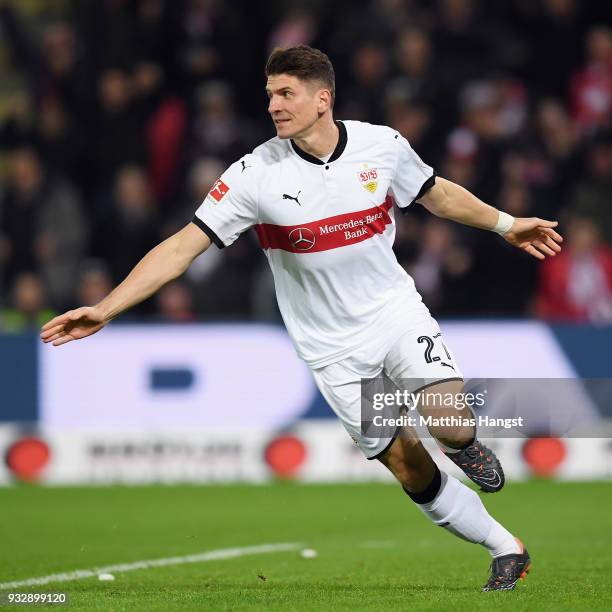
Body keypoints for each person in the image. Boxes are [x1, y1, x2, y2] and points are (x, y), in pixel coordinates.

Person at [41, 45, 563, 591]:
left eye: (285, 93)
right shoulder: (253, 175)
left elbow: (436, 196)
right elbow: (181, 247)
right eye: (269, 94)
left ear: (322, 99)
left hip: (394, 313)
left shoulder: (380, 145)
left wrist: (506, 224)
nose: (273, 105)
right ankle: (506, 546)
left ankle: (464, 445)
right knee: (408, 464)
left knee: (449, 420)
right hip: (331, 348)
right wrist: (107, 307)